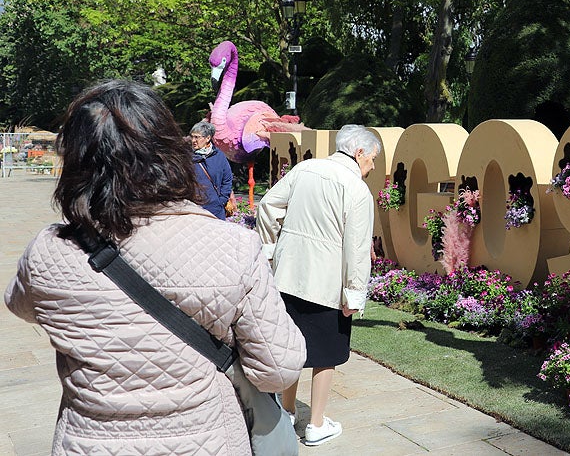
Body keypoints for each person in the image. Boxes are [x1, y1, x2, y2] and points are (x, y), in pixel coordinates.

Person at [4, 80, 306, 455]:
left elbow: (20, 305)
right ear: (167, 151)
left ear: (76, 161)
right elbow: (280, 366)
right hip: (206, 440)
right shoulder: (234, 246)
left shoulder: (48, 252)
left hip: (89, 443)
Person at [256, 124, 380, 447]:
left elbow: (267, 206)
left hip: (288, 275)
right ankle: (316, 423)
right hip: (327, 284)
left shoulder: (305, 169)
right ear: (359, 152)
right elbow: (357, 249)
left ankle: (285, 412)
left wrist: (271, 250)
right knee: (326, 353)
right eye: (372, 159)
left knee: (292, 347)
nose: (373, 166)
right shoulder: (357, 189)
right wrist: (354, 294)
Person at [190, 120, 234, 220]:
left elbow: (227, 179)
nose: (193, 140)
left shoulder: (219, 156)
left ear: (208, 138)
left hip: (216, 209)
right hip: (194, 209)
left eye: (197, 137)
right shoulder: (187, 157)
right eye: (192, 136)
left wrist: (222, 200)